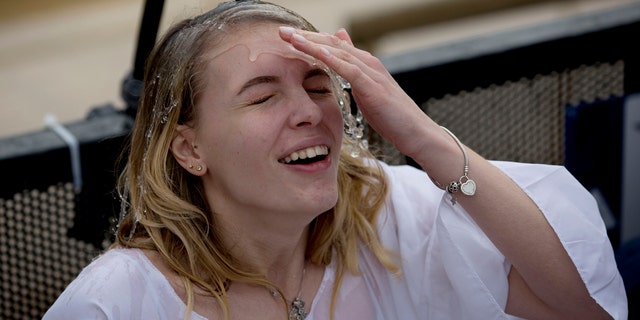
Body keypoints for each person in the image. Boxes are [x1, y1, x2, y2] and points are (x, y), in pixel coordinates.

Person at [43, 1, 627, 319]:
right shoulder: (116, 303)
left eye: (321, 86)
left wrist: (425, 139)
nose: (307, 111)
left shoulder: (387, 218)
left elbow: (582, 306)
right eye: (264, 95)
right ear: (190, 148)